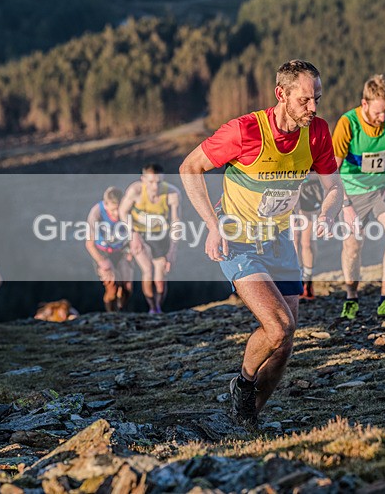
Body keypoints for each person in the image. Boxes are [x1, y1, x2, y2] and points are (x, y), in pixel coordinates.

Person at [180, 59, 343, 428]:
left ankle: (248, 419)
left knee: (284, 345)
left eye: (317, 97)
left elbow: (334, 187)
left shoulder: (316, 131)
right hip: (237, 239)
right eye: (304, 100)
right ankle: (243, 384)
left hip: (279, 240)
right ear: (281, 94)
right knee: (278, 325)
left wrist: (329, 213)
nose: (313, 107)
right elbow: (189, 168)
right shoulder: (244, 130)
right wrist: (212, 225)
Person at [332, 74, 385, 320]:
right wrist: (345, 205)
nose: (383, 118)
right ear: (365, 104)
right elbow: (331, 170)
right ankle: (351, 297)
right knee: (352, 246)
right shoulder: (348, 123)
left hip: (383, 187)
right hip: (351, 191)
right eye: (379, 112)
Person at [119, 163, 181, 314]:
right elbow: (122, 212)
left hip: (160, 235)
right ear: (143, 179)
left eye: (159, 182)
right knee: (147, 270)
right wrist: (133, 234)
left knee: (160, 276)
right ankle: (152, 308)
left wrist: (173, 251)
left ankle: (158, 308)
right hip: (139, 234)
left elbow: (176, 222)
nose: (155, 186)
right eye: (151, 182)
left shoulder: (172, 193)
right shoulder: (135, 190)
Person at [85, 186, 135, 312]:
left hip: (122, 250)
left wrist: (130, 251)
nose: (117, 214)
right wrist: (101, 261)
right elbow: (89, 244)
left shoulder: (128, 210)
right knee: (112, 286)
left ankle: (121, 310)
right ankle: (110, 314)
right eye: (113, 210)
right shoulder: (96, 213)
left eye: (119, 209)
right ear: (106, 205)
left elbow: (134, 233)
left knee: (127, 287)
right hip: (102, 251)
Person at [292, 174, 324, 300]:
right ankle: (297, 278)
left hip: (310, 188)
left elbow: (326, 171)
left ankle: (308, 281)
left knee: (307, 241)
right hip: (291, 188)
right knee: (294, 238)